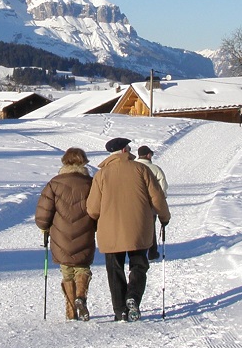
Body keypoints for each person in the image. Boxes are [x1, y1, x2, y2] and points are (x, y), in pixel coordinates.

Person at [86, 137, 170, 322]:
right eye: (129, 148)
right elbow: (157, 197)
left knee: (114, 269)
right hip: (139, 227)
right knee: (138, 265)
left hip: (110, 230)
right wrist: (164, 217)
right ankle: (133, 297)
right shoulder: (141, 169)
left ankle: (120, 310)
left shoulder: (101, 175)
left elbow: (92, 208)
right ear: (124, 150)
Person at [35, 147, 97, 321]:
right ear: (83, 162)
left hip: (60, 235)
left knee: (67, 272)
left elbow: (43, 213)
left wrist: (44, 227)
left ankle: (71, 311)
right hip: (84, 232)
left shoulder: (54, 184)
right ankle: (81, 297)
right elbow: (97, 208)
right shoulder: (90, 183)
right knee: (83, 268)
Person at [135, 145, 168, 260]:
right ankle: (152, 252)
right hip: (150, 205)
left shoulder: (133, 167)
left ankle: (136, 252)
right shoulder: (155, 169)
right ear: (148, 155)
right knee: (150, 228)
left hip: (134, 204)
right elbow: (162, 187)